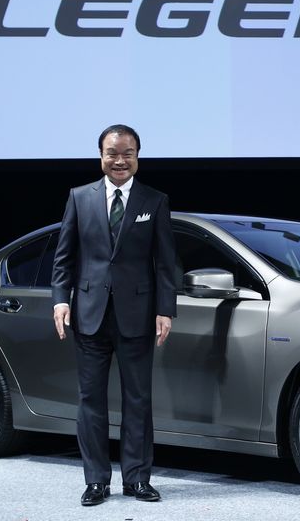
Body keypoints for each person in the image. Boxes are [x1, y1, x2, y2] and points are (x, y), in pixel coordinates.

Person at [51, 124, 177, 506]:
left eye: (128, 153)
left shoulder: (154, 201)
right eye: (112, 153)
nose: (120, 160)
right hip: (89, 314)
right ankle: (96, 481)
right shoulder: (79, 197)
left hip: (137, 315)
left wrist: (164, 310)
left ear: (138, 156)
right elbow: (64, 256)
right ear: (101, 156)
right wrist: (61, 299)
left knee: (138, 400)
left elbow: (166, 263)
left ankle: (137, 479)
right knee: (90, 400)